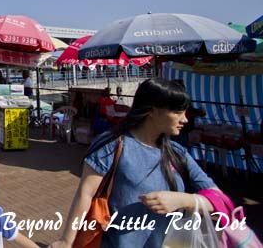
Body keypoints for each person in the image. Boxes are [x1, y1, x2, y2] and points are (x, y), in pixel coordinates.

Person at [51, 78, 220, 248]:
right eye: (177, 112)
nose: (185, 120)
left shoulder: (177, 153)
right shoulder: (113, 144)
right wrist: (66, 241)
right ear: (152, 111)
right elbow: (85, 194)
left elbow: (220, 200)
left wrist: (183, 200)